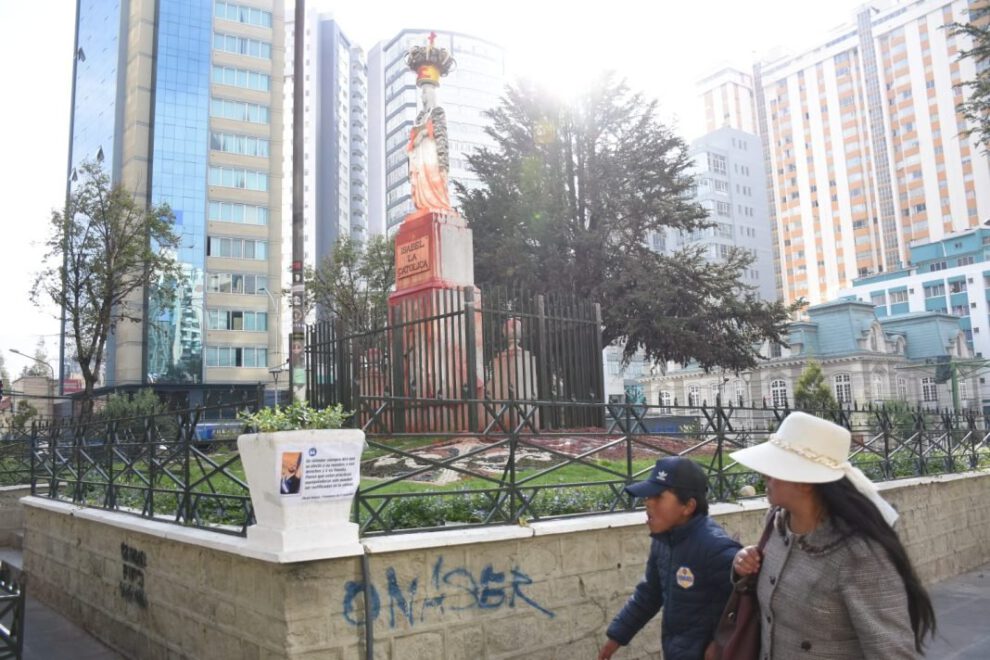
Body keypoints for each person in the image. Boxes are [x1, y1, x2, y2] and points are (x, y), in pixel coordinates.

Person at [730, 411, 936, 659]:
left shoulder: (859, 554)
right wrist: (744, 566)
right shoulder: (776, 523)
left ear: (805, 482)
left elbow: (891, 651)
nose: (764, 476)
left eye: (773, 468)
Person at [599, 457, 740, 660]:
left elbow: (748, 604)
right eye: (648, 496)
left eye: (657, 496)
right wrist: (616, 637)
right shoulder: (664, 541)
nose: (648, 502)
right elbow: (649, 594)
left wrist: (721, 643)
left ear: (688, 506)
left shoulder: (715, 548)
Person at [407, 83, 453, 213]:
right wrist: (416, 139)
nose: (422, 96)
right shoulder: (420, 117)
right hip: (420, 152)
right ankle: (423, 204)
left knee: (434, 176)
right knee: (422, 177)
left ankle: (438, 203)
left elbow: (440, 130)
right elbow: (413, 136)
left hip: (432, 150)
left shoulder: (437, 111)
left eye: (424, 92)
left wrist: (424, 132)